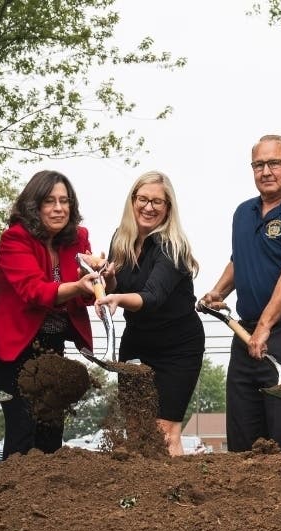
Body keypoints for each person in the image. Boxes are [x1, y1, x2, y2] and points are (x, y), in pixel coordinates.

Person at [200, 135, 281, 451]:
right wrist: (218, 292)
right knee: (244, 433)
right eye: (259, 164)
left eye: (274, 163)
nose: (266, 171)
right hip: (246, 332)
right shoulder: (243, 214)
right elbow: (240, 259)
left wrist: (264, 327)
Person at [0, 171, 107, 458]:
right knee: (23, 426)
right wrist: (77, 284)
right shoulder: (15, 239)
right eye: (50, 201)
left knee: (51, 428)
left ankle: (49, 499)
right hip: (13, 345)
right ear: (34, 206)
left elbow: (86, 294)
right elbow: (33, 291)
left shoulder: (78, 238)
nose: (59, 208)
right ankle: (15, 495)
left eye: (65, 201)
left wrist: (100, 275)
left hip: (50, 344)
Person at [96, 171, 205, 456]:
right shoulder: (121, 239)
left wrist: (116, 298)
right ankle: (143, 498)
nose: (149, 207)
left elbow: (153, 296)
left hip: (177, 349)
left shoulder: (173, 247)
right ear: (132, 201)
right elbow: (119, 285)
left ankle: (173, 496)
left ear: (168, 208)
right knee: (137, 429)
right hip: (137, 343)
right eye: (142, 199)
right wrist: (107, 280)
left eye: (157, 201)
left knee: (164, 433)